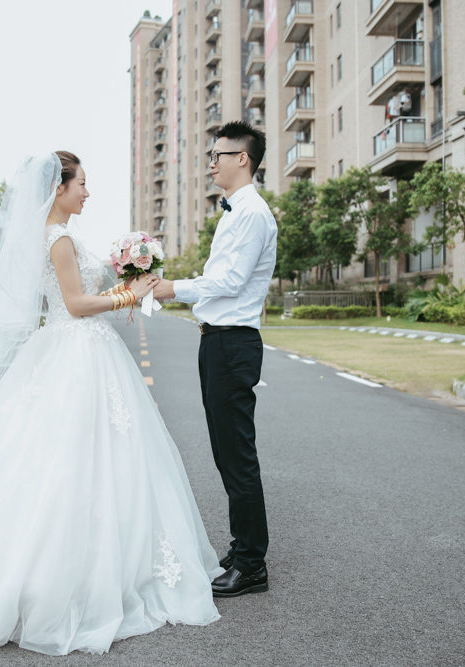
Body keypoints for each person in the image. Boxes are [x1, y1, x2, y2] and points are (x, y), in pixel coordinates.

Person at [0, 152, 223, 657]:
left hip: (74, 349)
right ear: (58, 188)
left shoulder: (59, 235)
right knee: (72, 461)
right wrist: (129, 297)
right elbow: (77, 306)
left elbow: (82, 291)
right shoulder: (58, 239)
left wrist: (130, 277)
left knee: (83, 459)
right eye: (82, 184)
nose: (87, 192)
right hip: (76, 349)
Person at [152, 121, 277, 598]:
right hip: (218, 341)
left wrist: (172, 288)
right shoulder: (235, 211)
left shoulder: (252, 214)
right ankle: (243, 545)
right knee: (226, 452)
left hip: (232, 343)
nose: (211, 163)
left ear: (241, 158)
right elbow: (221, 277)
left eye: (217, 155)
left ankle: (251, 564)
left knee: (237, 454)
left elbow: (229, 281)